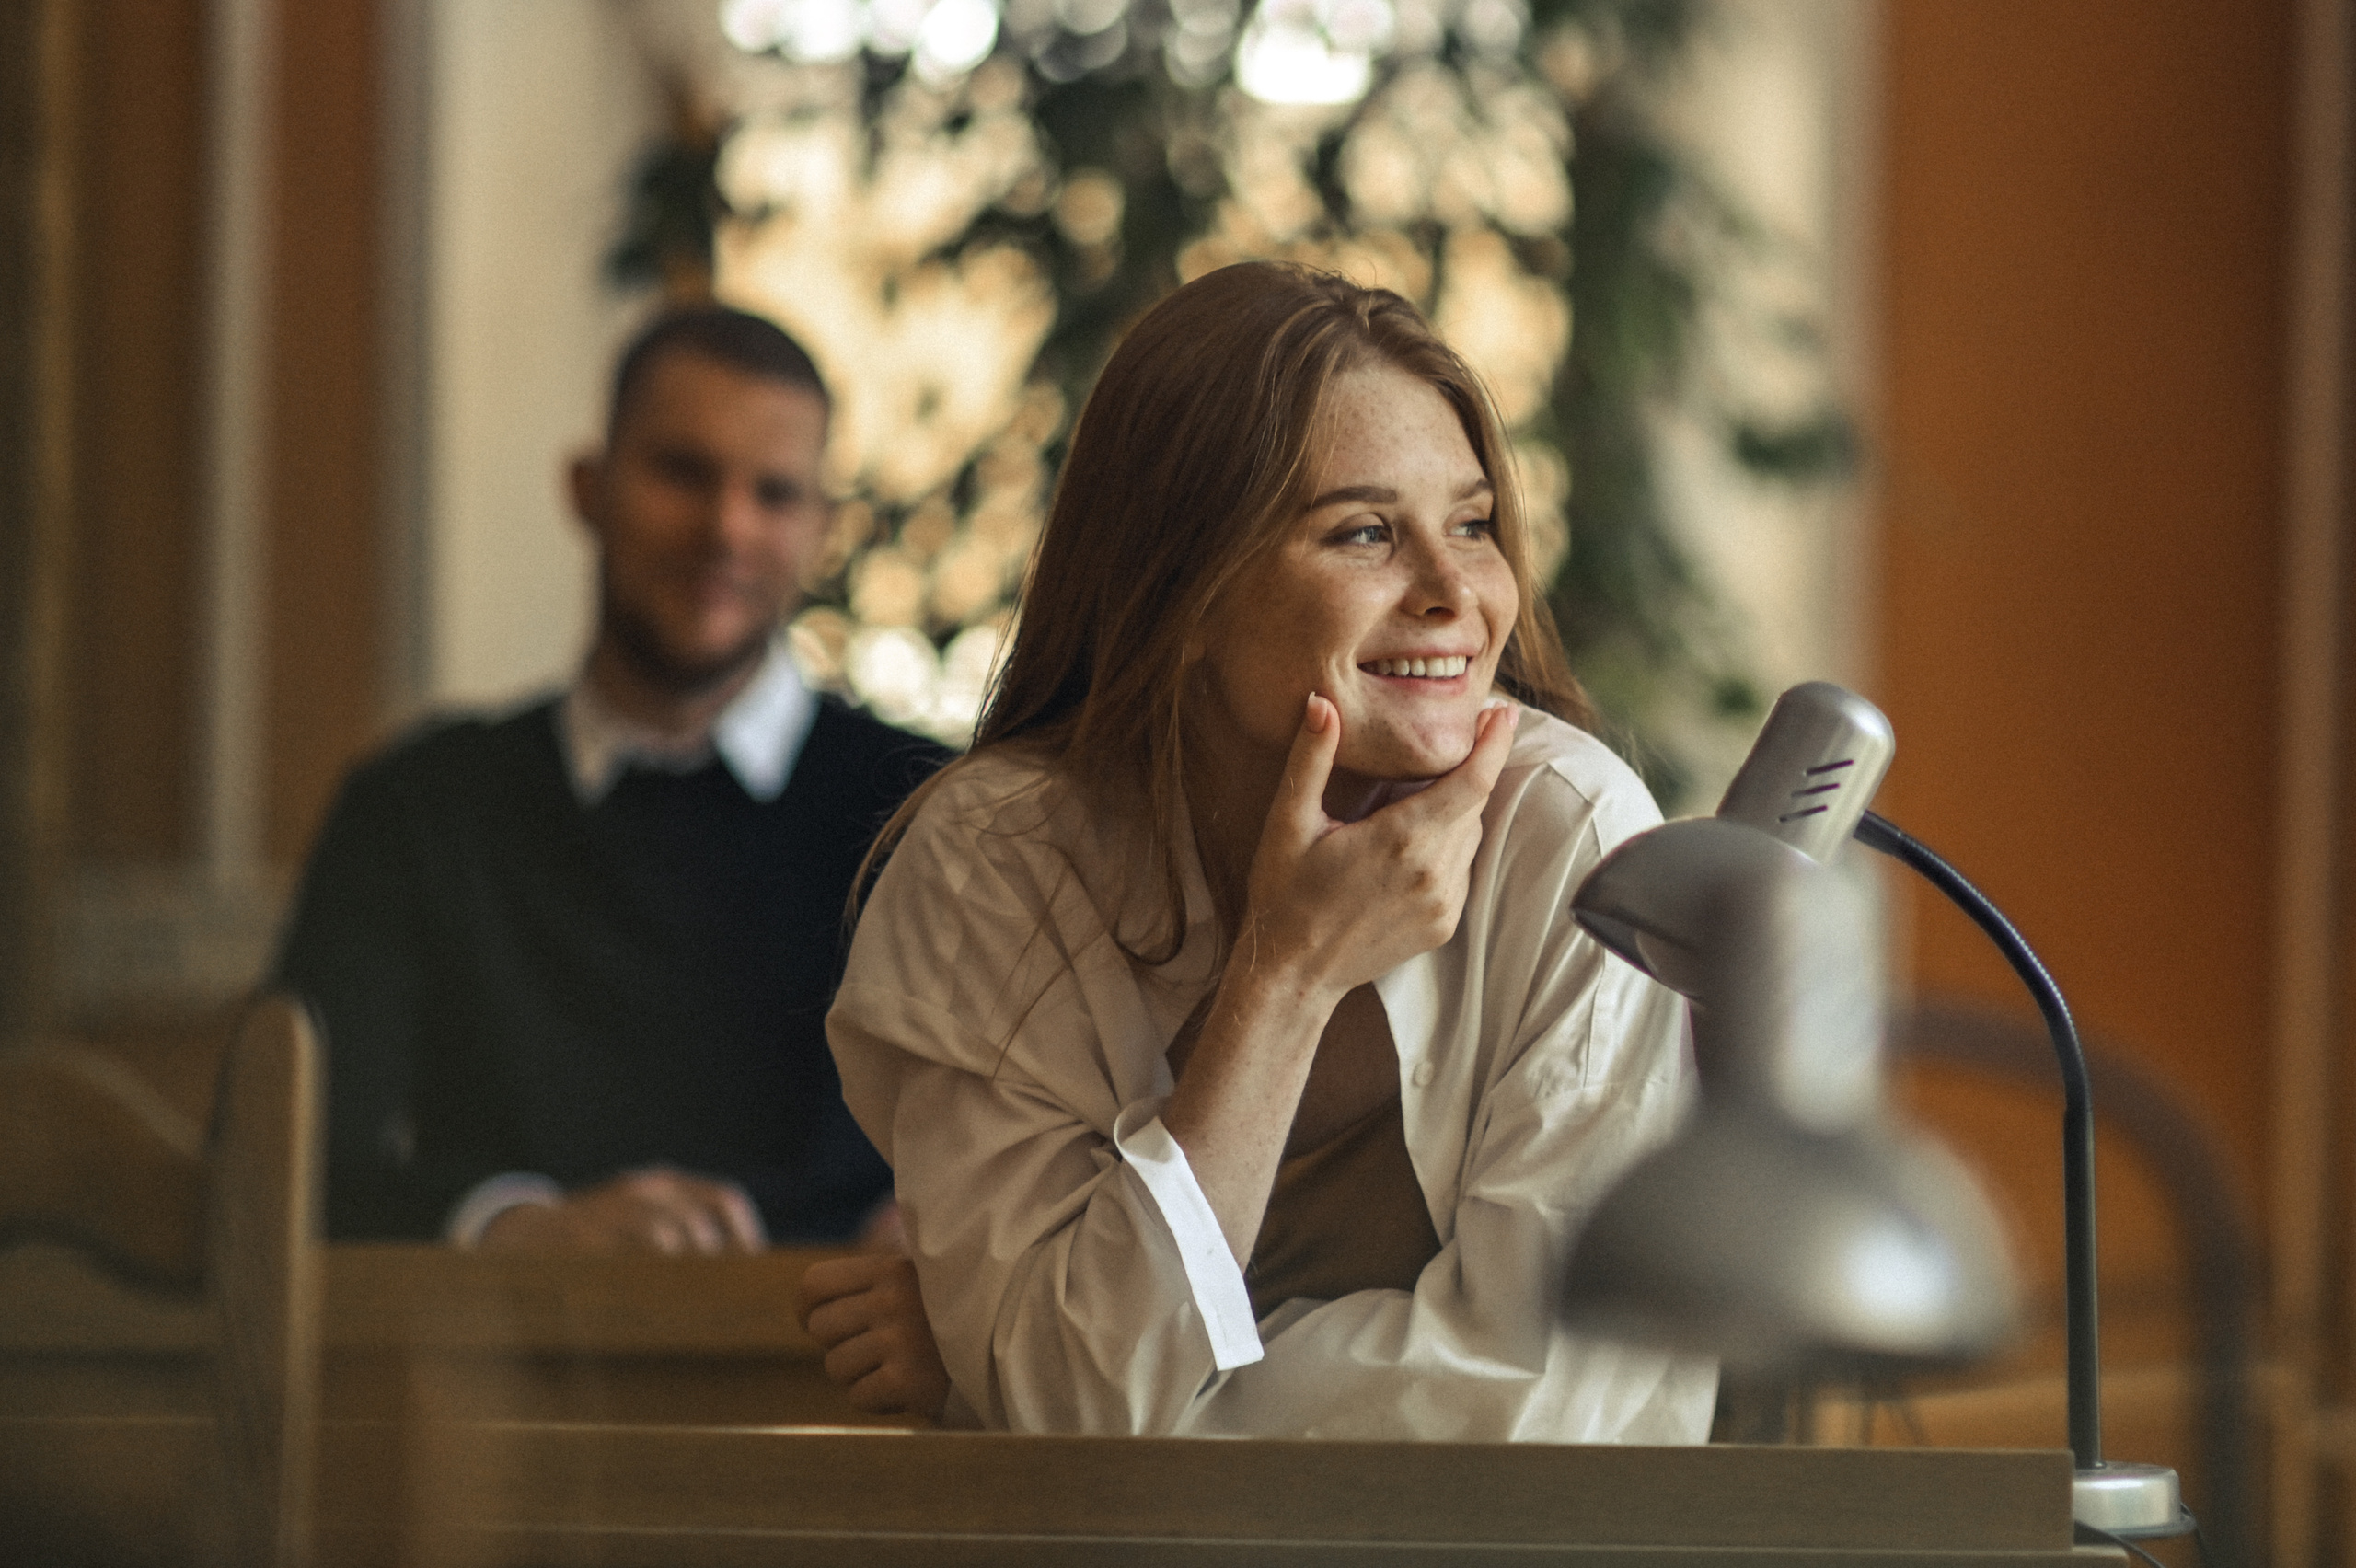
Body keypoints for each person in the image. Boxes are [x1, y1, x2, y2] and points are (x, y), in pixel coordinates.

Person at [799, 262, 1716, 1437]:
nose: (1454, 591)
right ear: (1183, 591)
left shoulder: (1574, 838)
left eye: (1473, 524)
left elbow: (1538, 1408)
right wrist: (1286, 975)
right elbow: (1072, 1399)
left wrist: (1029, 1378)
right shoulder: (993, 864)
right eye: (1365, 533)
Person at [276, 306, 945, 1252]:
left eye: (775, 493)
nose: (726, 527)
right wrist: (517, 1227)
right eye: (683, 473)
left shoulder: (933, 813)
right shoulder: (418, 807)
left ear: (822, 531)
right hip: (502, 1345)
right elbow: (289, 1167)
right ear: (587, 489)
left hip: (843, 1345)